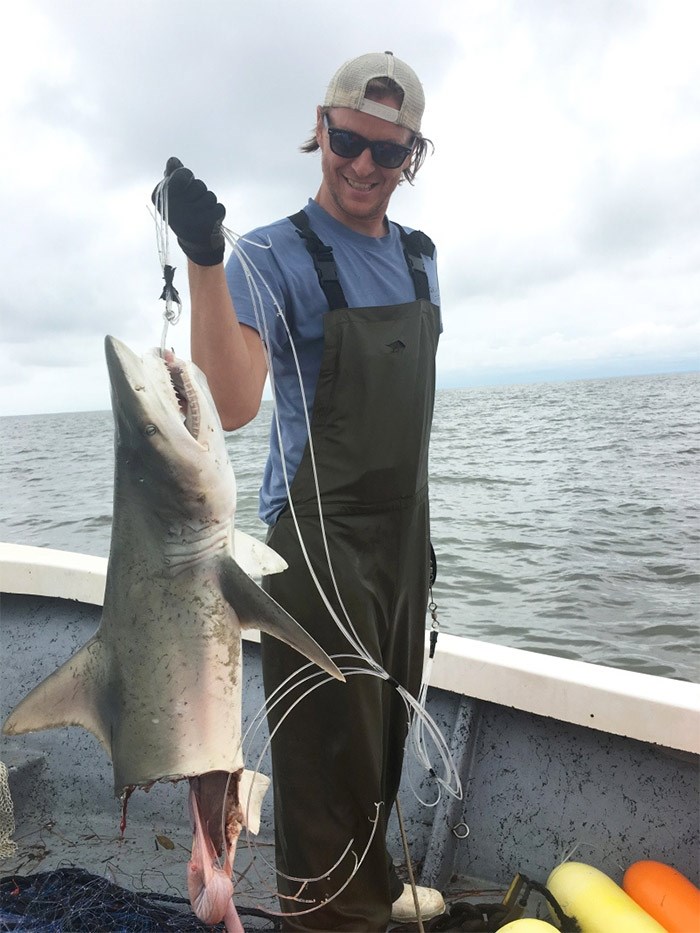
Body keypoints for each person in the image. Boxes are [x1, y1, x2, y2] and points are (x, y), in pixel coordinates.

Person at [155, 51, 444, 931]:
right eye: (347, 140)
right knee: (323, 761)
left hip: (402, 543)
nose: (362, 165)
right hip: (315, 550)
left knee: (385, 733)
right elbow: (234, 403)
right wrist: (207, 261)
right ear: (319, 129)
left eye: (385, 153)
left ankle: (379, 886)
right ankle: (330, 916)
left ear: (411, 158)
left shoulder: (422, 258)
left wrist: (415, 553)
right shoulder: (274, 255)